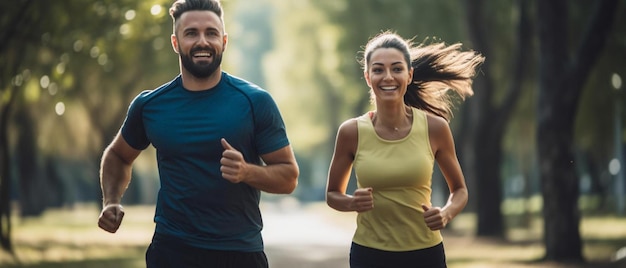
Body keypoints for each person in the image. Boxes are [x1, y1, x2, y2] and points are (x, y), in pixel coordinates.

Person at [97, 0, 299, 267]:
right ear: (175, 42)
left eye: (211, 33)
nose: (202, 41)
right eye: (191, 33)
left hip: (238, 253)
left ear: (224, 41)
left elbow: (288, 177)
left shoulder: (255, 102)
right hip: (172, 250)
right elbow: (119, 156)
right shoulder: (150, 105)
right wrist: (111, 201)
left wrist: (247, 172)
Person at [325, 31, 484, 268]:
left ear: (409, 75)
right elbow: (332, 194)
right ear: (368, 77)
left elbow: (460, 190)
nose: (388, 77)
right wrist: (351, 203)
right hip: (370, 254)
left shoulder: (435, 128)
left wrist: (446, 213)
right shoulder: (351, 132)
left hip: (425, 254)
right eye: (378, 70)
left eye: (397, 69)